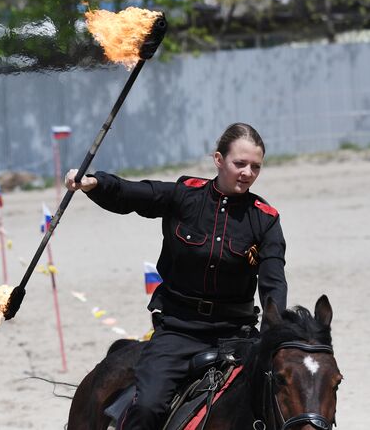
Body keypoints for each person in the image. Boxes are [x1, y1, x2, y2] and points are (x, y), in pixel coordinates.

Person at [64, 122, 287, 430]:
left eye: (255, 167)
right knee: (147, 407)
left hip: (237, 335)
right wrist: (93, 183)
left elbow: (274, 282)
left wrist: (273, 333)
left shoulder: (265, 219)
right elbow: (133, 194)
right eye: (240, 163)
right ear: (219, 160)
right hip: (178, 332)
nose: (247, 172)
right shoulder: (185, 196)